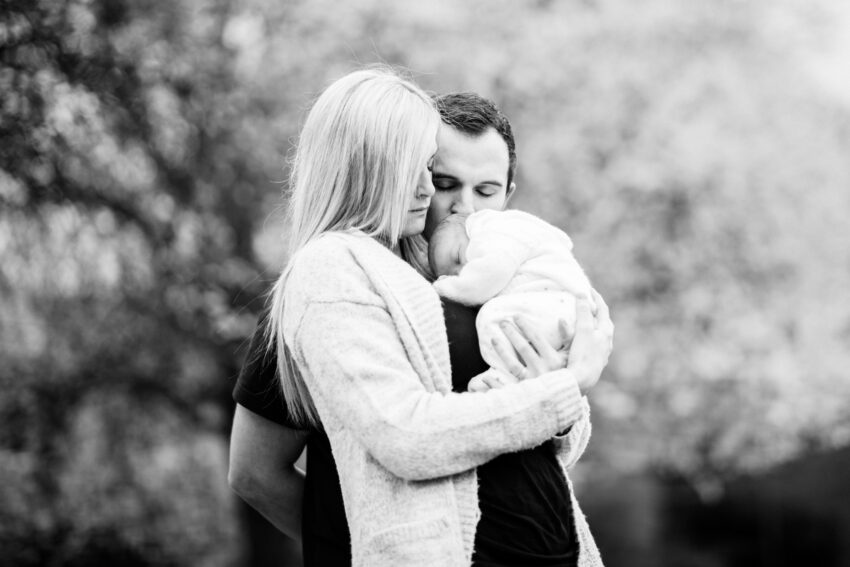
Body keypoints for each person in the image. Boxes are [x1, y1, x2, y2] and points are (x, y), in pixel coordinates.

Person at [229, 79, 613, 566]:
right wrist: (364, 545)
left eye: (487, 190)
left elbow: (551, 443)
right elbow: (255, 471)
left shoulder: (503, 277)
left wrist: (563, 396)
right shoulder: (340, 280)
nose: (461, 206)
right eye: (444, 180)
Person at [428, 209, 594, 392]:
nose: (461, 273)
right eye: (451, 274)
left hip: (556, 307)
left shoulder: (500, 232)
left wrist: (441, 287)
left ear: (472, 228)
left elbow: (487, 277)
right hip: (557, 314)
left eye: (458, 258)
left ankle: (503, 375)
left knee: (492, 316)